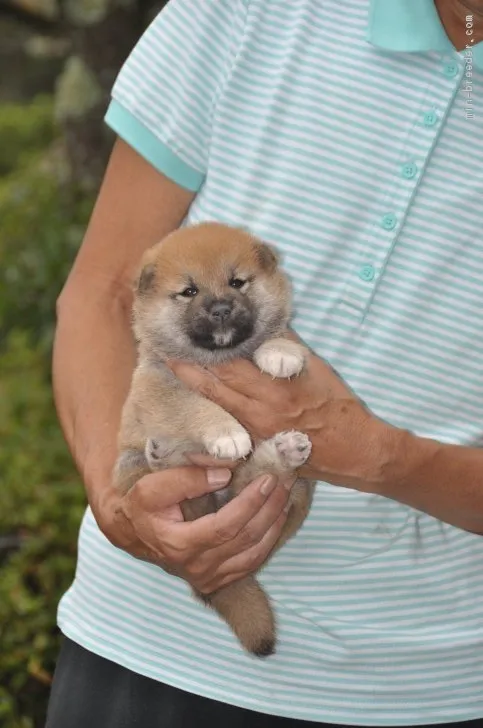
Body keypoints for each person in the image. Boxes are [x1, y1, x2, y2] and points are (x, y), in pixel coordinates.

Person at [46, 0, 483, 726]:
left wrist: (384, 458)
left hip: (422, 687)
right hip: (144, 647)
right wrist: (122, 506)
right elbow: (102, 290)